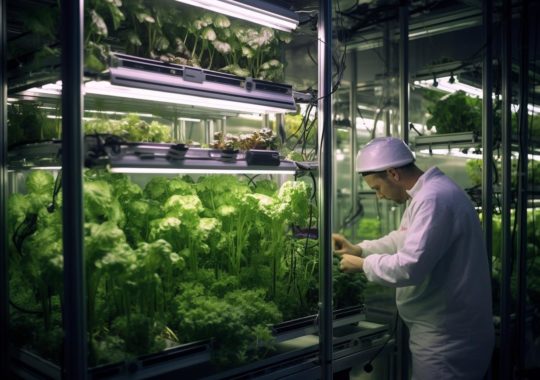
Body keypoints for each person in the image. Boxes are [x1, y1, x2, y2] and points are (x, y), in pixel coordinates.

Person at [333, 137, 494, 380]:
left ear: (393, 174)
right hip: (444, 330)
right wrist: (360, 250)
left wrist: (364, 265)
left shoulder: (433, 199)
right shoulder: (426, 195)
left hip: (448, 339)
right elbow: (403, 240)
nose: (379, 196)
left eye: (377, 188)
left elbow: (410, 266)